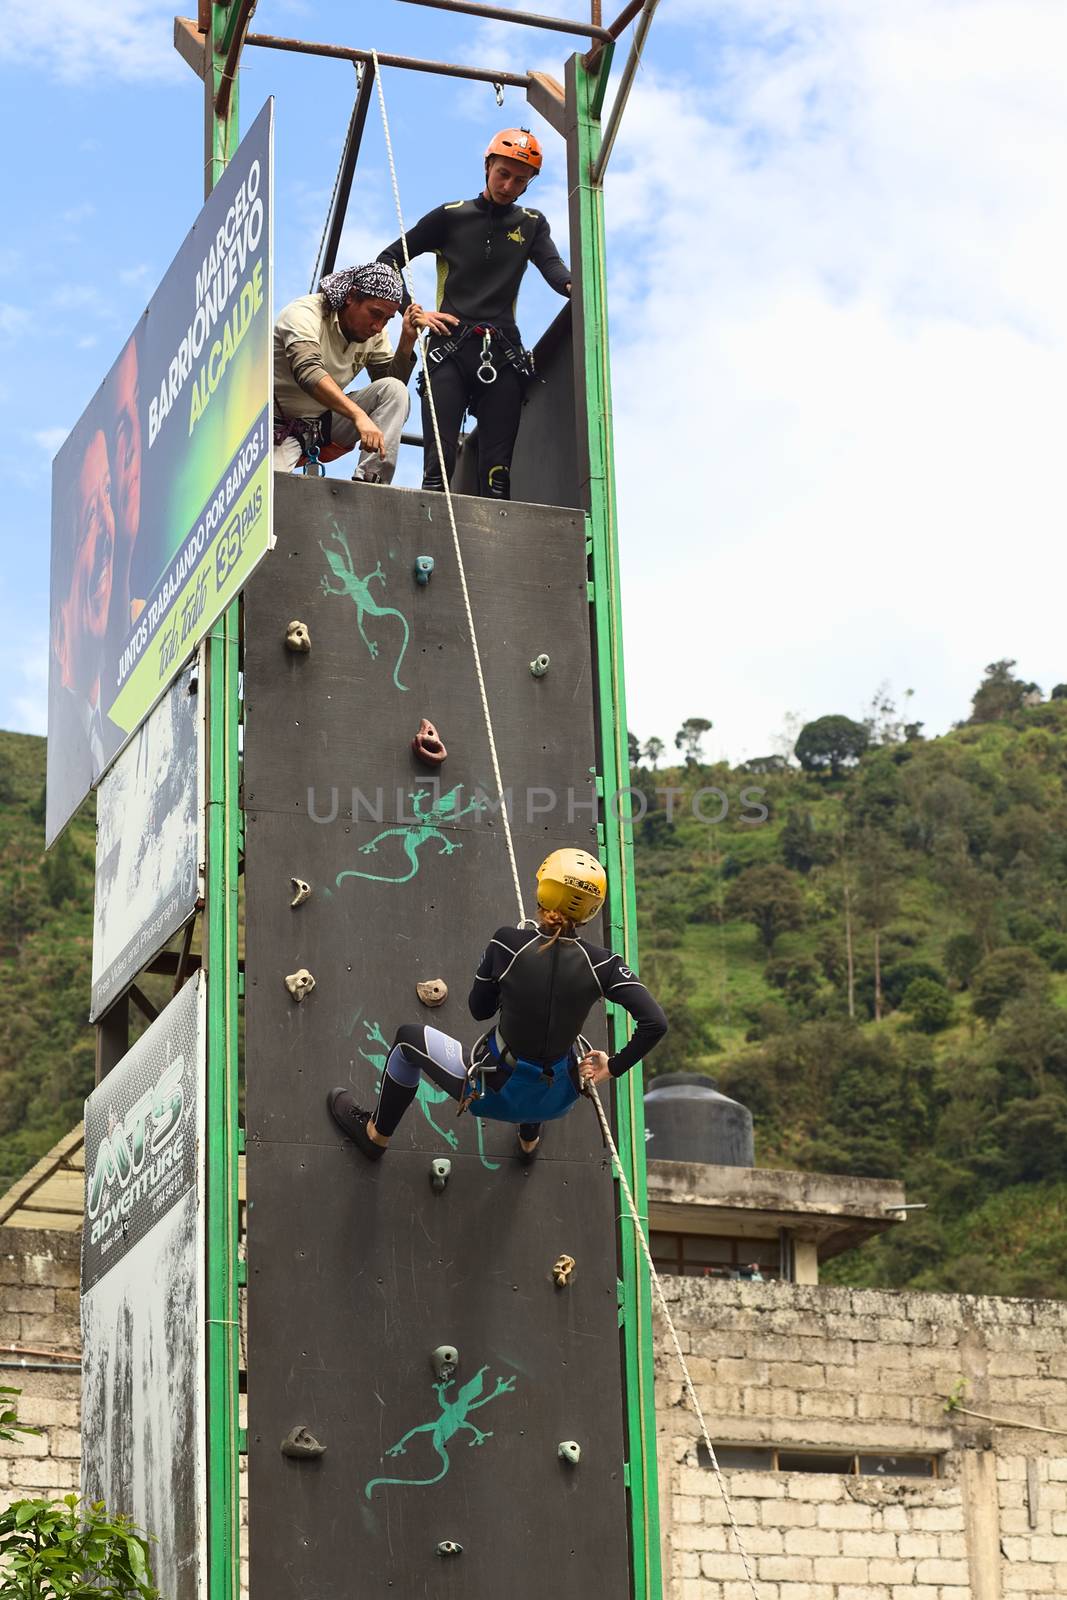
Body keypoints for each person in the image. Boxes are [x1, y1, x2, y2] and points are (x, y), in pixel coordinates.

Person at [327, 848, 667, 1163]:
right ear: (592, 908)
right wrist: (613, 1066)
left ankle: (375, 1134)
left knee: (407, 1039)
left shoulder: (508, 942)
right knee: (553, 1059)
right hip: (556, 1099)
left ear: (544, 890)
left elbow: (480, 1009)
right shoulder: (605, 965)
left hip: (492, 1091)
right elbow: (655, 1023)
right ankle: (528, 1143)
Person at [377, 128, 572, 500]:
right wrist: (413, 311)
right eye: (503, 173)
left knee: (498, 477)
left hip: (502, 354)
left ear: (528, 184)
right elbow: (387, 261)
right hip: (448, 351)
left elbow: (553, 267)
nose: (508, 185)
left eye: (520, 179)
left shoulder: (531, 224)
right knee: (437, 471)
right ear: (487, 166)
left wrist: (573, 287)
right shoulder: (451, 217)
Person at [272, 262, 452, 481]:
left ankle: (371, 481)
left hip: (320, 424)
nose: (378, 327)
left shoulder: (374, 334)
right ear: (351, 296)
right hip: (271, 426)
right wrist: (358, 415)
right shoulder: (304, 313)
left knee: (394, 391)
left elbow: (389, 386)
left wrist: (407, 341)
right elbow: (308, 373)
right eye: (375, 314)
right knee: (269, 497)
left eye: (387, 320)